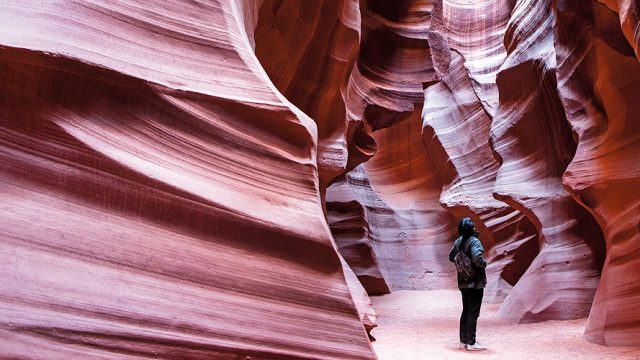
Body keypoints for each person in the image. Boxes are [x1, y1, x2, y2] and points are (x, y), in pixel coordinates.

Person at [449, 217, 488, 351]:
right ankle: (471, 343)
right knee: (473, 312)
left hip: (463, 281)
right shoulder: (474, 241)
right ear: (472, 228)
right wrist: (484, 264)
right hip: (475, 282)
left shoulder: (458, 242)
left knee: (466, 310)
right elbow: (477, 259)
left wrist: (462, 266)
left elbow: (451, 257)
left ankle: (463, 341)